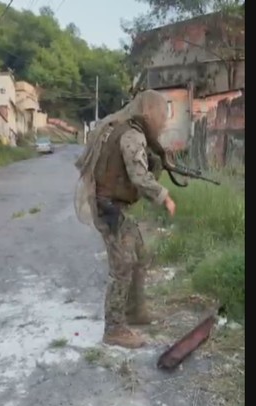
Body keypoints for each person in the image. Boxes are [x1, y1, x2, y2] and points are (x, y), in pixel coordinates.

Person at [73, 90, 176, 349]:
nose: (164, 123)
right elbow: (139, 176)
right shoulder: (131, 134)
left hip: (112, 204)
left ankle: (134, 311)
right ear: (149, 112)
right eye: (162, 116)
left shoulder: (123, 128)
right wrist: (164, 196)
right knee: (122, 265)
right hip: (108, 207)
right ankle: (114, 329)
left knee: (139, 254)